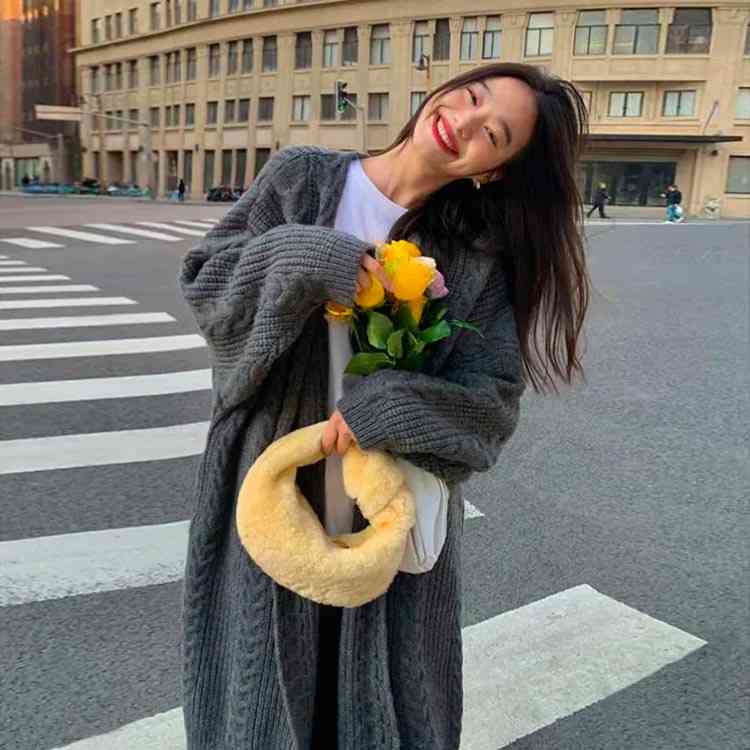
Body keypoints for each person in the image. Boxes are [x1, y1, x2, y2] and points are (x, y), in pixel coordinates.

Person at [178, 62, 592, 750]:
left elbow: (491, 403)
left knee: (379, 709)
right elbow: (207, 288)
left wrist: (391, 407)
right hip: (269, 479)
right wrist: (310, 257)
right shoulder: (302, 179)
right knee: (257, 699)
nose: (463, 121)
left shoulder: (475, 254)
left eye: (493, 134)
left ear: (492, 170)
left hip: (387, 509)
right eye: (471, 96)